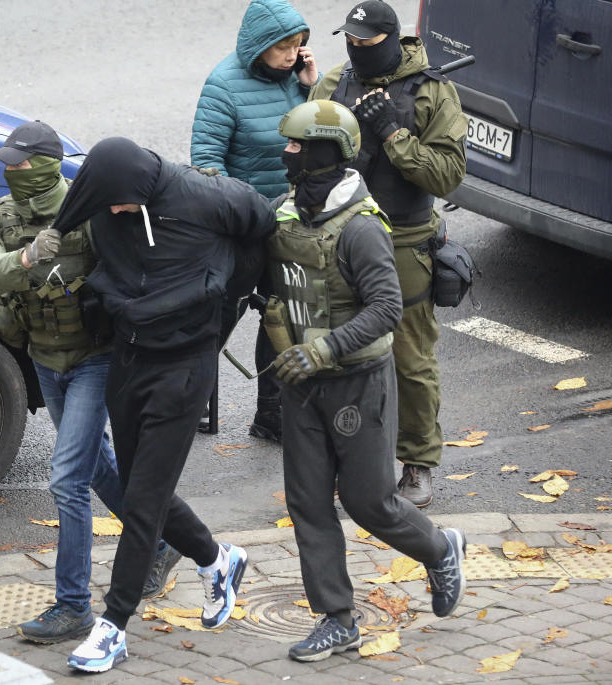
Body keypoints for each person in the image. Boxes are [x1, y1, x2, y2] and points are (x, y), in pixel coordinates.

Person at [48, 136, 276, 673]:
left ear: (142, 186)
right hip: (129, 361)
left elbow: (264, 225)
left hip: (186, 365)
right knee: (138, 488)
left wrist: (229, 298)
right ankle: (218, 560)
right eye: (105, 204)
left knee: (144, 504)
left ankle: (113, 626)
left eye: (121, 201)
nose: (115, 212)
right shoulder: (107, 209)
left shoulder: (208, 197)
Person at [265, 99, 466, 662]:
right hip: (302, 383)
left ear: (326, 151)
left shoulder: (361, 228)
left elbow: (386, 308)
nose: (287, 154)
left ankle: (439, 549)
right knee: (307, 502)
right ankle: (337, 617)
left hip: (357, 381)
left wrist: (324, 349)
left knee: (369, 501)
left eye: (297, 146)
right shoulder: (285, 213)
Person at [0, 121, 181, 646]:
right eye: (6, 165)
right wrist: (28, 257)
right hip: (44, 357)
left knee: (66, 478)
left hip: (93, 358)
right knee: (93, 462)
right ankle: (159, 543)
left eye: (20, 164)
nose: (11, 172)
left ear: (44, 164)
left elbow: (138, 265)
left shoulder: (89, 211)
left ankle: (72, 606)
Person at [309, 0, 468, 507]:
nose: (356, 51)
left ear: (392, 40)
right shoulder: (335, 83)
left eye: (367, 44)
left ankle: (418, 463)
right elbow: (300, 153)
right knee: (337, 353)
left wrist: (393, 134)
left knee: (409, 359)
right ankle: (349, 458)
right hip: (340, 235)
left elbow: (446, 175)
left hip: (402, 239)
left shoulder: (432, 92)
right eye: (349, 42)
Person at [191, 0, 318, 442]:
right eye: (283, 47)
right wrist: (245, 212)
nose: (290, 55)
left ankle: (271, 413)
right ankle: (187, 405)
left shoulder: (297, 82)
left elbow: (318, 139)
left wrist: (311, 87)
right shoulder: (223, 86)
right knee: (218, 318)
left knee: (279, 316)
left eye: (297, 46)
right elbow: (206, 164)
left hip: (289, 225)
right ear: (260, 45)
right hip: (241, 231)